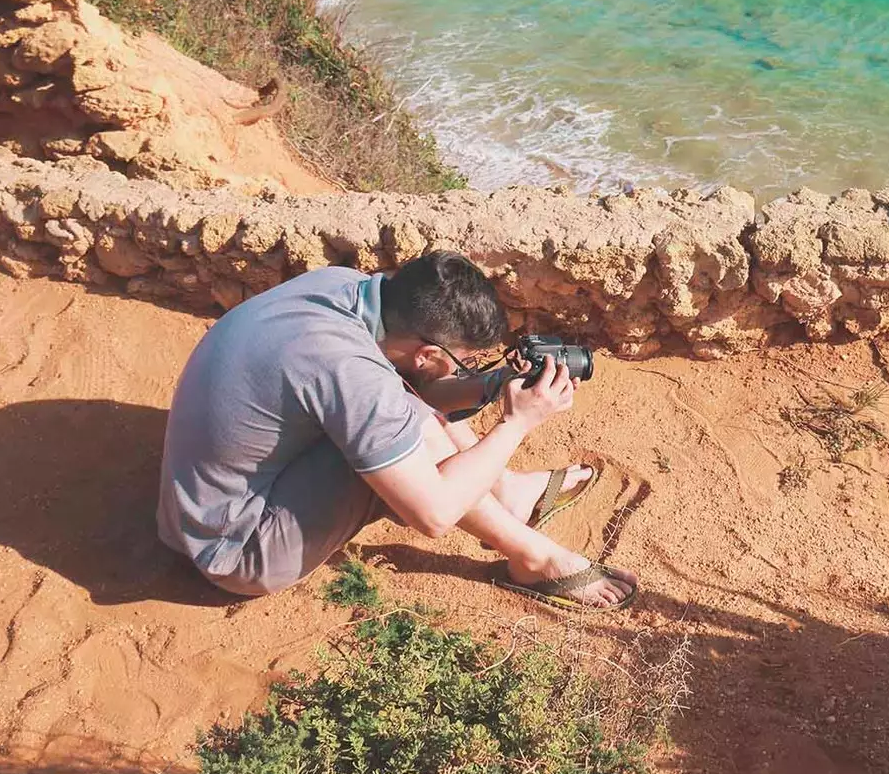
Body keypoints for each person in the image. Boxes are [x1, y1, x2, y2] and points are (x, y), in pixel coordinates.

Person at [156, 251, 638, 609]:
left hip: (199, 506)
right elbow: (434, 514)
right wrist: (518, 423)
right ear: (428, 353)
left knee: (397, 410)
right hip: (237, 549)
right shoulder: (351, 371)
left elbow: (405, 388)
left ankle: (505, 493)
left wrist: (494, 384)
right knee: (402, 427)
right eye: (466, 363)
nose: (467, 370)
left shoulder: (342, 287)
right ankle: (533, 559)